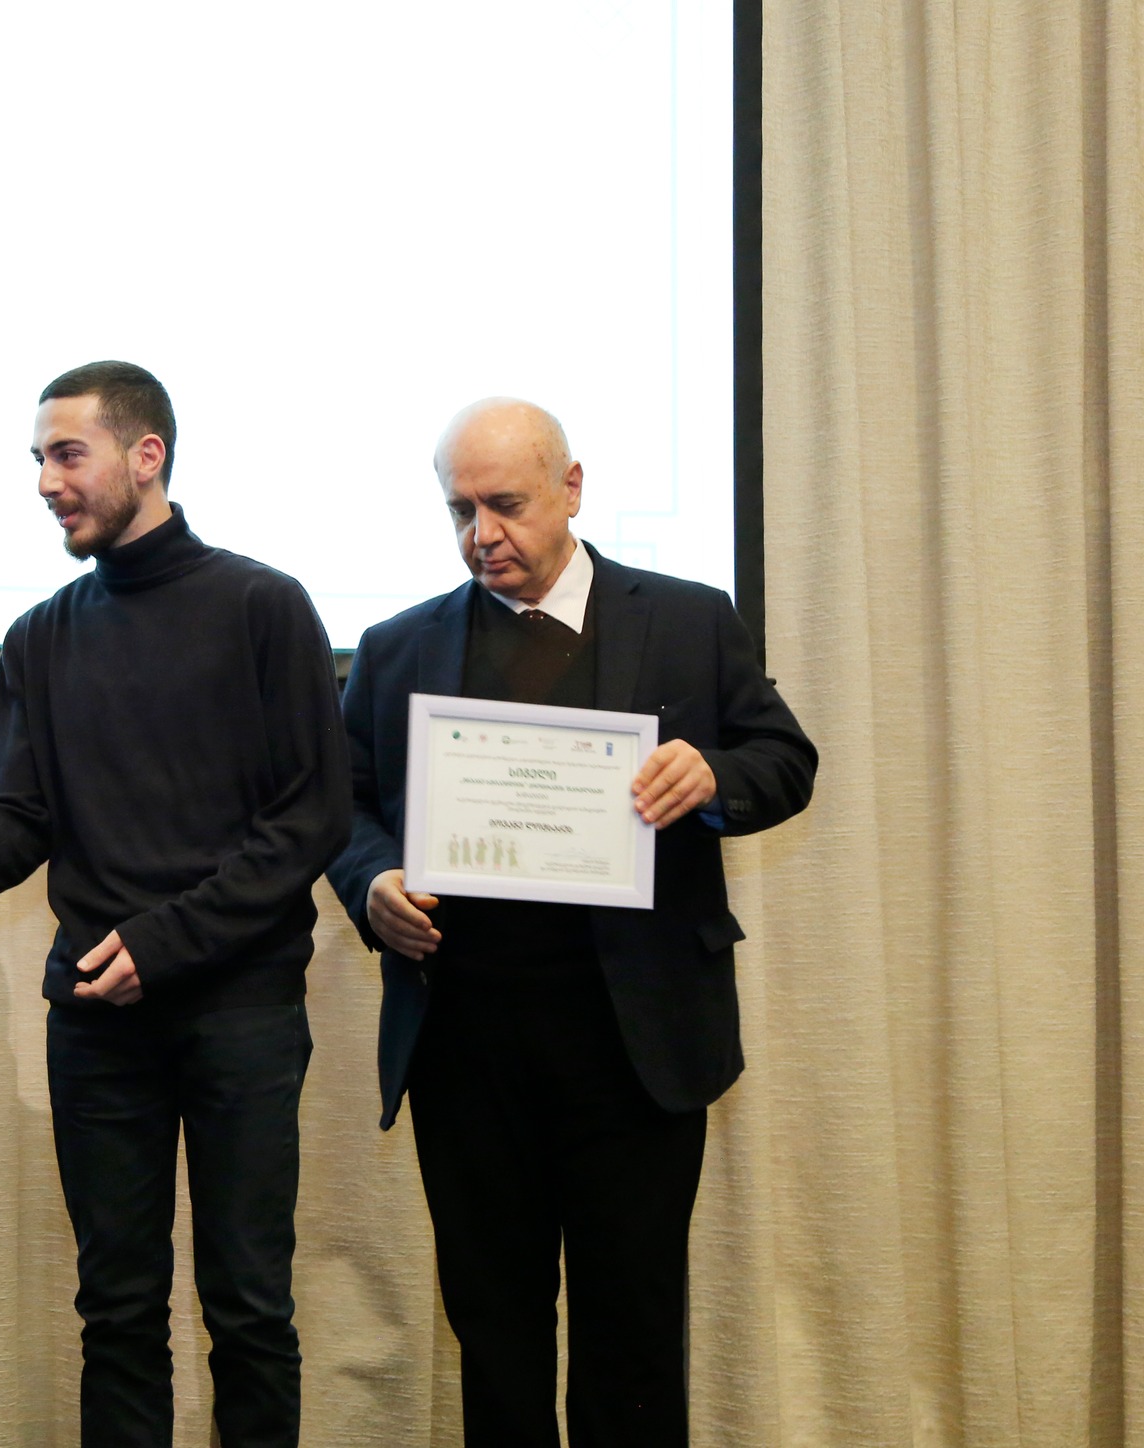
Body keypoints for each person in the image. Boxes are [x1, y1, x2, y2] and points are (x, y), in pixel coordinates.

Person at [326, 398, 817, 1447]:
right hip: (465, 1046)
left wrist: (712, 775)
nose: (481, 534)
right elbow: (344, 808)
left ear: (572, 489)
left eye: (505, 504)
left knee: (630, 1335)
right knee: (493, 1331)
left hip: (634, 1043)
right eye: (459, 510)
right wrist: (371, 883)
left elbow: (785, 760)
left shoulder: (687, 618)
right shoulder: (397, 646)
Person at [0, 361, 350, 1446]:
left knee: (249, 1309)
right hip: (98, 1019)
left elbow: (310, 818)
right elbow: (11, 819)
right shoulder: (41, 636)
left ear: (147, 456)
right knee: (118, 1314)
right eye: (37, 459)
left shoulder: (264, 606)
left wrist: (164, 942)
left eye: (66, 454)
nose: (46, 482)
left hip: (240, 1012)